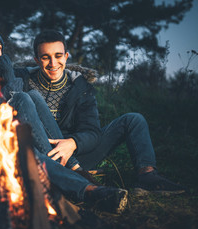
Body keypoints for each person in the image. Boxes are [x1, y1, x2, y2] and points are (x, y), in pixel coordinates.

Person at [0, 29, 129, 214]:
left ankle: (89, 189)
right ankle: (83, 182)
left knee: (32, 99)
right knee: (22, 101)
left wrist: (7, 80)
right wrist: (1, 99)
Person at [14, 30, 186, 196]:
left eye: (58, 56)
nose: (53, 63)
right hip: (43, 152)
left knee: (133, 120)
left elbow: (92, 131)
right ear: (37, 60)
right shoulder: (22, 82)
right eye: (46, 57)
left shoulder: (81, 87)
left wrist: (73, 142)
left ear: (66, 56)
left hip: (78, 152)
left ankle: (147, 176)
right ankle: (75, 175)